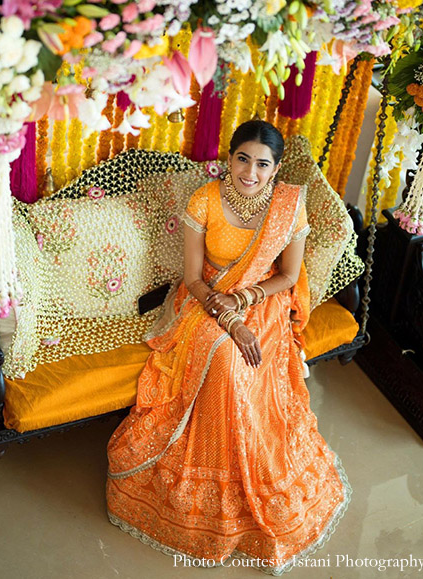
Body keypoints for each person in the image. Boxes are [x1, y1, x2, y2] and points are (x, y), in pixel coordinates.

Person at [106, 120, 350, 574]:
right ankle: (214, 490)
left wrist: (246, 302)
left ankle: (249, 481)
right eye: (243, 159)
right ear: (229, 157)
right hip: (206, 299)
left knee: (244, 367)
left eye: (262, 164)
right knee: (221, 357)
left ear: (275, 170)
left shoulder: (288, 207)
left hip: (263, 299)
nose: (250, 173)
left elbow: (289, 277)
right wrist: (229, 317)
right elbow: (194, 279)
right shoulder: (204, 200)